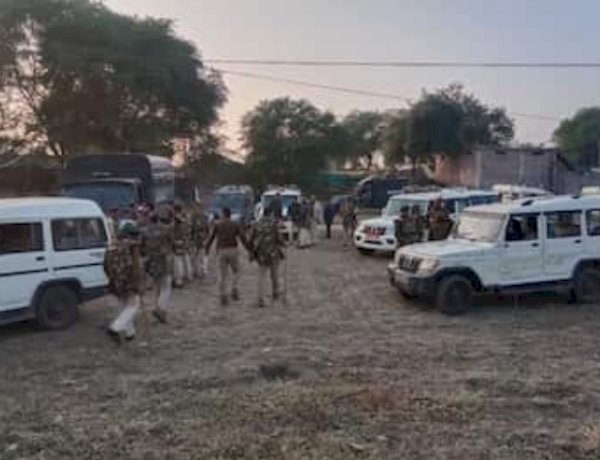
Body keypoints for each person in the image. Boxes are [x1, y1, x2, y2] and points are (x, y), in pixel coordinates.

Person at [104, 222, 143, 344]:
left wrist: (111, 277)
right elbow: (135, 267)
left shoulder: (111, 245)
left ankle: (129, 333)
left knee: (124, 306)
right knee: (134, 305)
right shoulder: (132, 247)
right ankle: (115, 328)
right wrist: (137, 283)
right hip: (128, 280)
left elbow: (105, 264)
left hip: (115, 280)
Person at [205, 207, 250, 306]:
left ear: (223, 214)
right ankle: (234, 287)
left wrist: (207, 248)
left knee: (222, 274)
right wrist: (249, 249)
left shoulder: (217, 225)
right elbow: (242, 237)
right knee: (237, 271)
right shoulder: (235, 224)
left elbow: (211, 238)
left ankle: (223, 295)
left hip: (221, 250)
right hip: (233, 249)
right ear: (230, 215)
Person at [248, 206, 285, 308]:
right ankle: (275, 293)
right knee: (274, 275)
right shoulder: (273, 224)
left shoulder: (256, 224)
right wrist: (284, 244)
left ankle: (260, 298)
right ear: (271, 213)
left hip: (261, 254)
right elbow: (279, 238)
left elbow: (250, 239)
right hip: (273, 253)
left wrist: (251, 251)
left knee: (261, 276)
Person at [141, 209, 174, 324]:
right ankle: (160, 309)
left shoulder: (144, 231)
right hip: (163, 259)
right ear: (158, 219)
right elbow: (171, 241)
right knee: (166, 286)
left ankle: (158, 308)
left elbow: (142, 247)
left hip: (151, 260)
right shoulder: (165, 230)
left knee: (157, 287)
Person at [172, 204, 193, 287]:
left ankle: (179, 280)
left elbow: (173, 230)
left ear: (175, 210)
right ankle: (189, 275)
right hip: (185, 241)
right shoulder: (186, 219)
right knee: (186, 258)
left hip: (178, 241)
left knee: (178, 261)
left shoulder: (176, 219)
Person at [190, 203, 210, 279]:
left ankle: (203, 271)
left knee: (202, 256)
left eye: (197, 208)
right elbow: (191, 229)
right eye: (195, 208)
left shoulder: (204, 217)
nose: (196, 210)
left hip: (201, 239)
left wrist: (206, 238)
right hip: (196, 239)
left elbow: (207, 229)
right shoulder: (193, 217)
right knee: (194, 256)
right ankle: (195, 271)